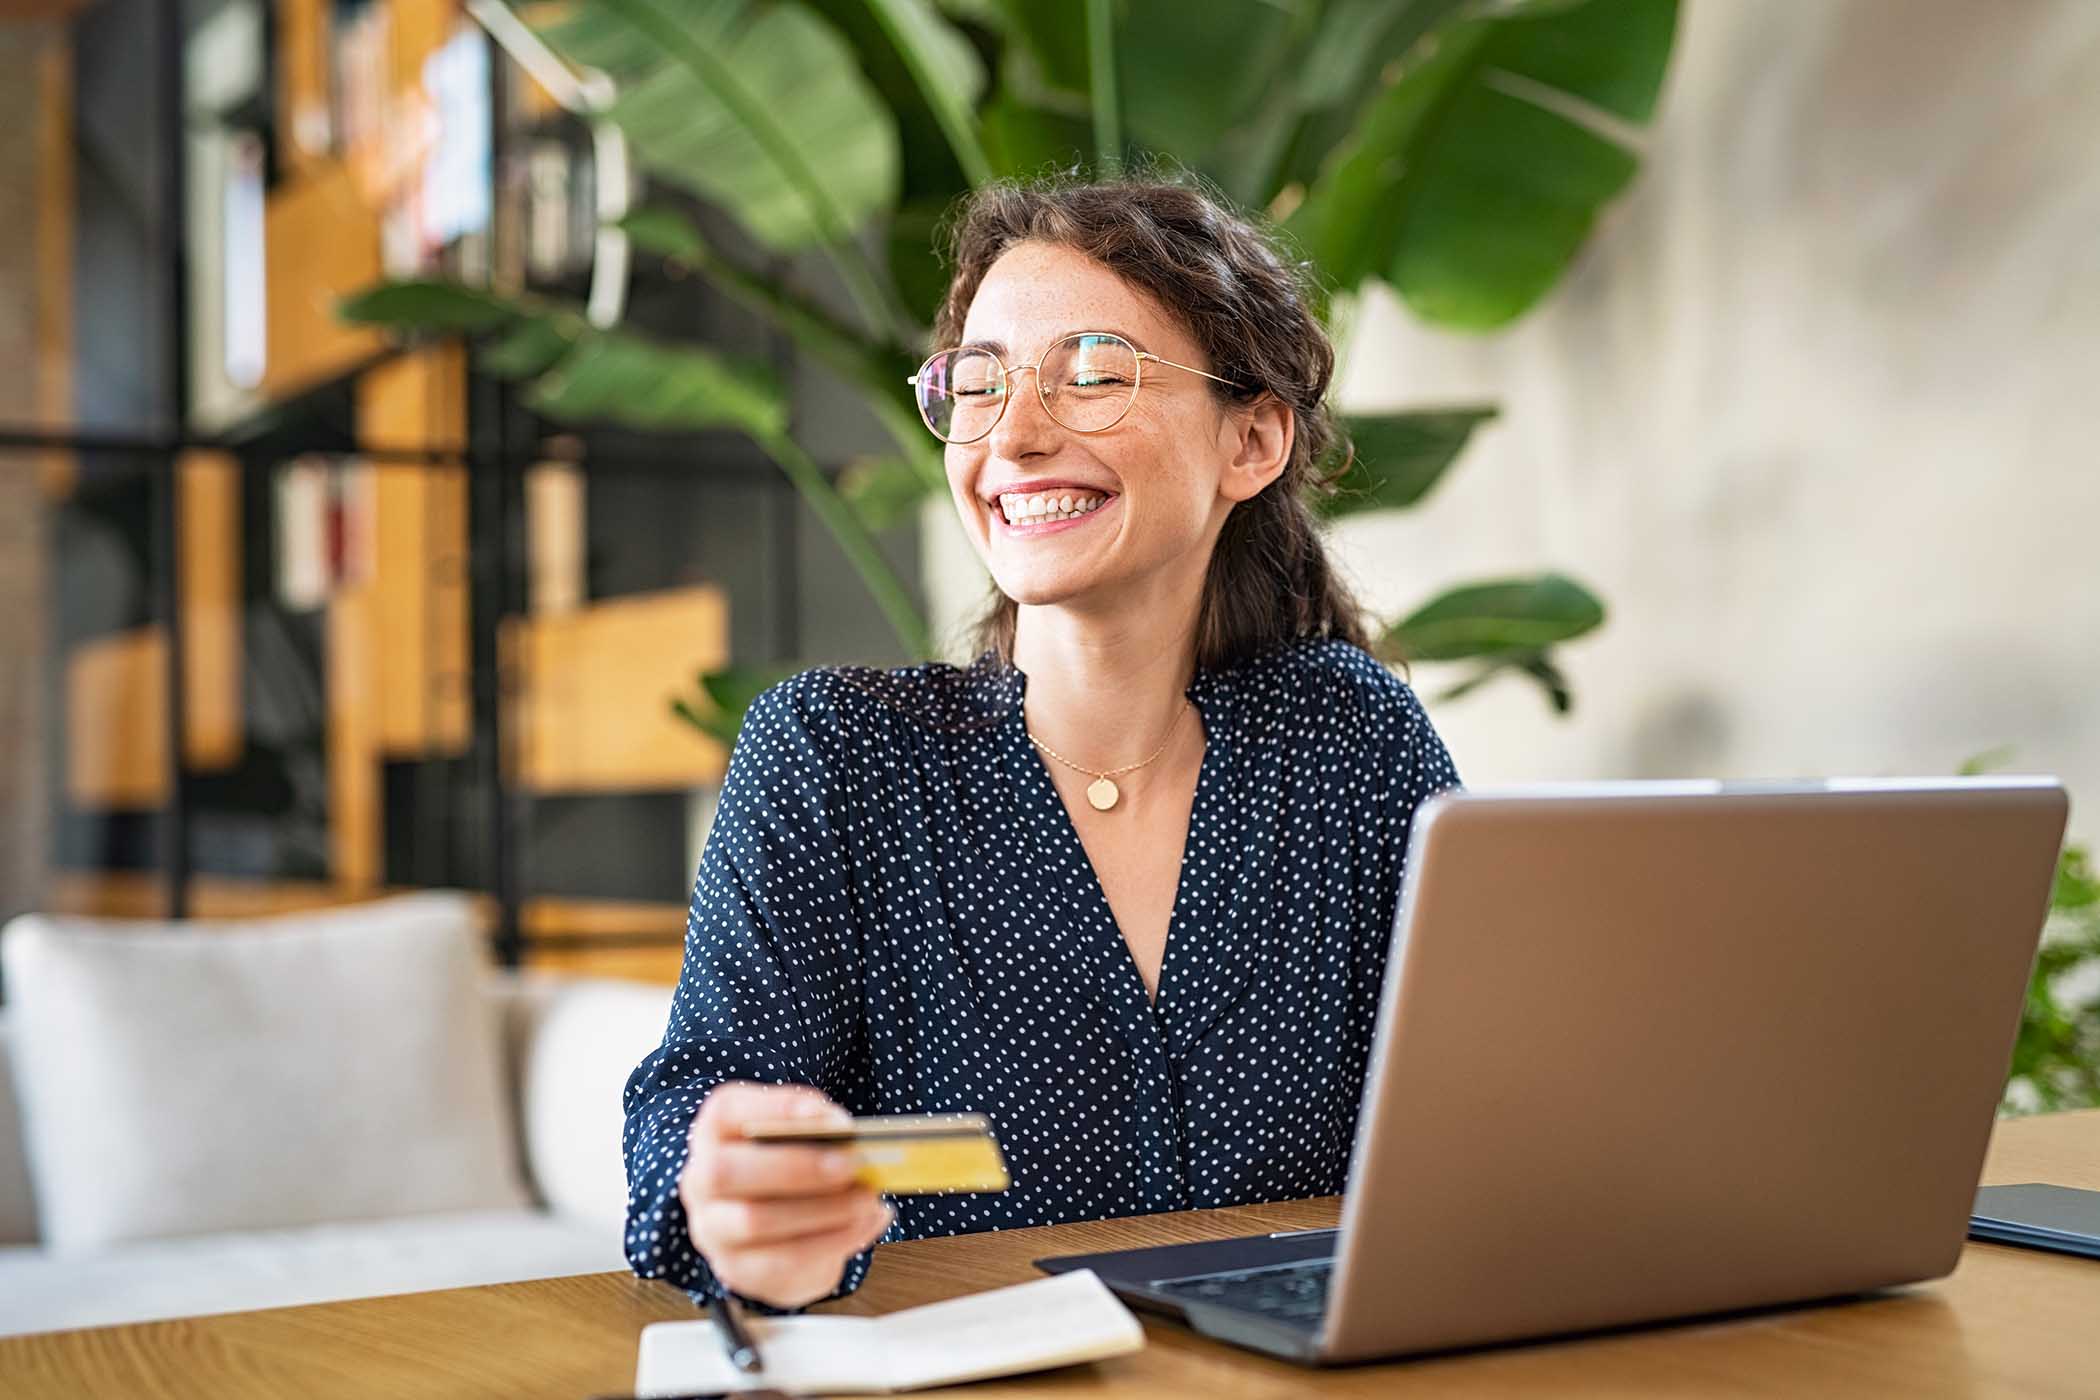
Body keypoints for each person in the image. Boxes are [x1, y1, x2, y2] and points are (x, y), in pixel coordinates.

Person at [621, 167, 1462, 1313]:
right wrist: (726, 1191)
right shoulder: (835, 756)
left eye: (1097, 373)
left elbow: (1485, 1120)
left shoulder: (1351, 743)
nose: (1014, 437)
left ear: (1252, 439)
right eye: (980, 385)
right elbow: (693, 1107)